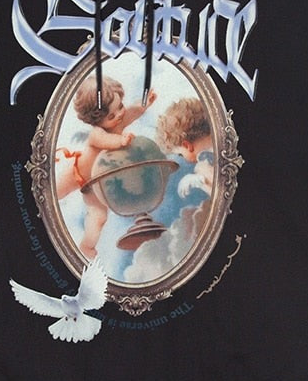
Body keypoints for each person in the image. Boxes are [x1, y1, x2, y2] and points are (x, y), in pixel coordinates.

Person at [55, 74, 157, 258]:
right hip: (76, 173)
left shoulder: (119, 119)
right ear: (96, 120)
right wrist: (121, 141)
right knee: (54, 192)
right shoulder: (97, 133)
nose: (119, 115)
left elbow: (133, 111)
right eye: (111, 115)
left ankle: (87, 246)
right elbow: (107, 140)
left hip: (96, 184)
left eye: (120, 106)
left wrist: (145, 104)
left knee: (99, 219)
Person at [156, 97, 214, 197]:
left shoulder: (203, 166)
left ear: (187, 146)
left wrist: (198, 182)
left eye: (181, 154)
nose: (184, 159)